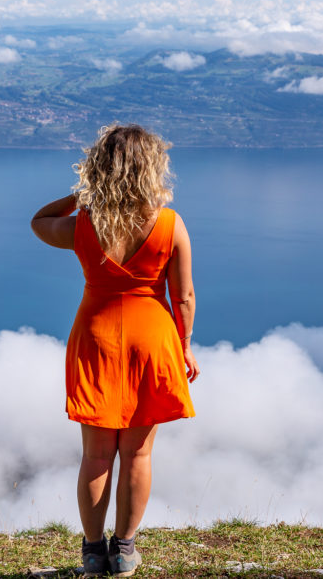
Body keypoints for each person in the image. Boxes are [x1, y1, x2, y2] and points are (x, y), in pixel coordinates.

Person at [31, 123, 199, 577]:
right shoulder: (170, 223)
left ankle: (91, 551)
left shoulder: (84, 224)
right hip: (153, 340)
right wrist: (183, 349)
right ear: (151, 169)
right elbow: (183, 297)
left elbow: (38, 222)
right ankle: (124, 552)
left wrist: (80, 195)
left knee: (97, 455)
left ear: (98, 168)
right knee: (139, 455)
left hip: (96, 337)